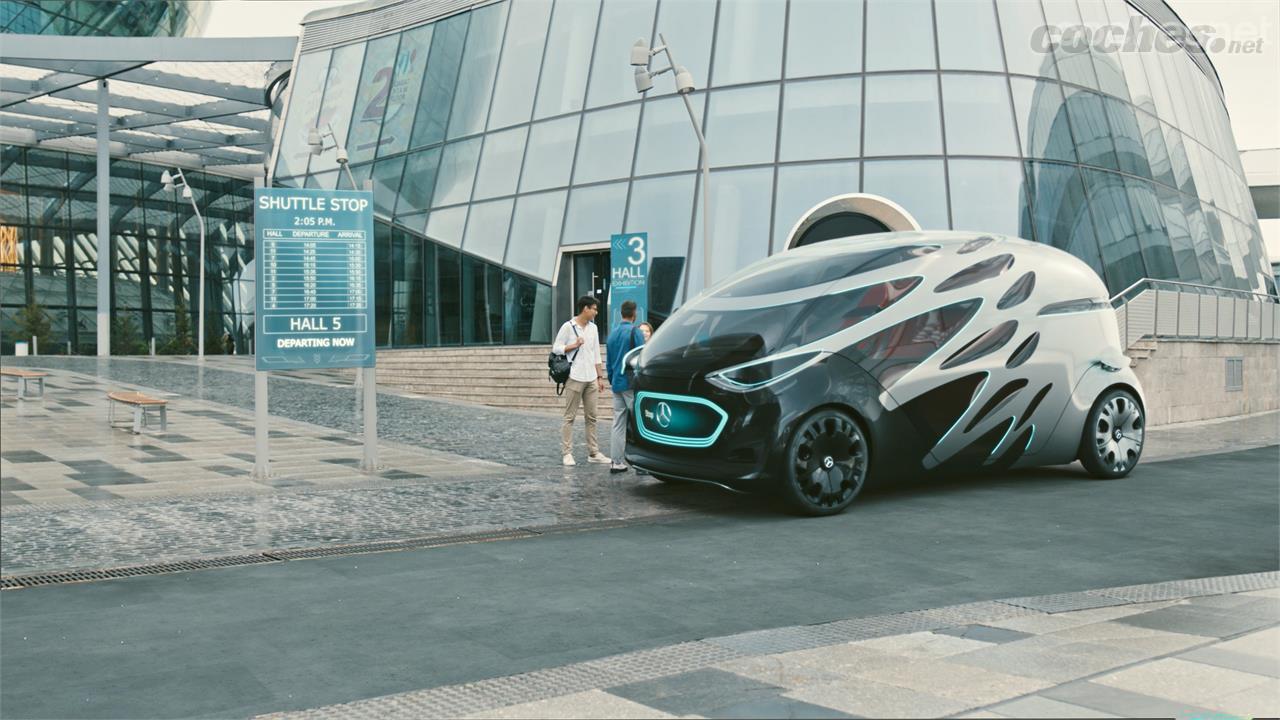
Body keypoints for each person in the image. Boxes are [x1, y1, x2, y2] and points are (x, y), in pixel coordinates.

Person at [552, 296, 611, 467]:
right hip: (575, 377)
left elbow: (596, 353)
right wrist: (573, 345)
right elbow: (556, 348)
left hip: (591, 377)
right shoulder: (568, 326)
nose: (596, 312)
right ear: (585, 309)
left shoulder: (593, 328)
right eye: (594, 308)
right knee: (569, 417)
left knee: (592, 417)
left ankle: (593, 452)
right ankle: (567, 453)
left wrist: (600, 377)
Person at [605, 301, 645, 474]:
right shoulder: (635, 332)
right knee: (639, 421)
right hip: (631, 383)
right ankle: (642, 463)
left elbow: (608, 362)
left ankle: (616, 462)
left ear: (621, 313)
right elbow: (641, 357)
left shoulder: (612, 334)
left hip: (617, 383)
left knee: (618, 423)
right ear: (634, 313)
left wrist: (612, 379)